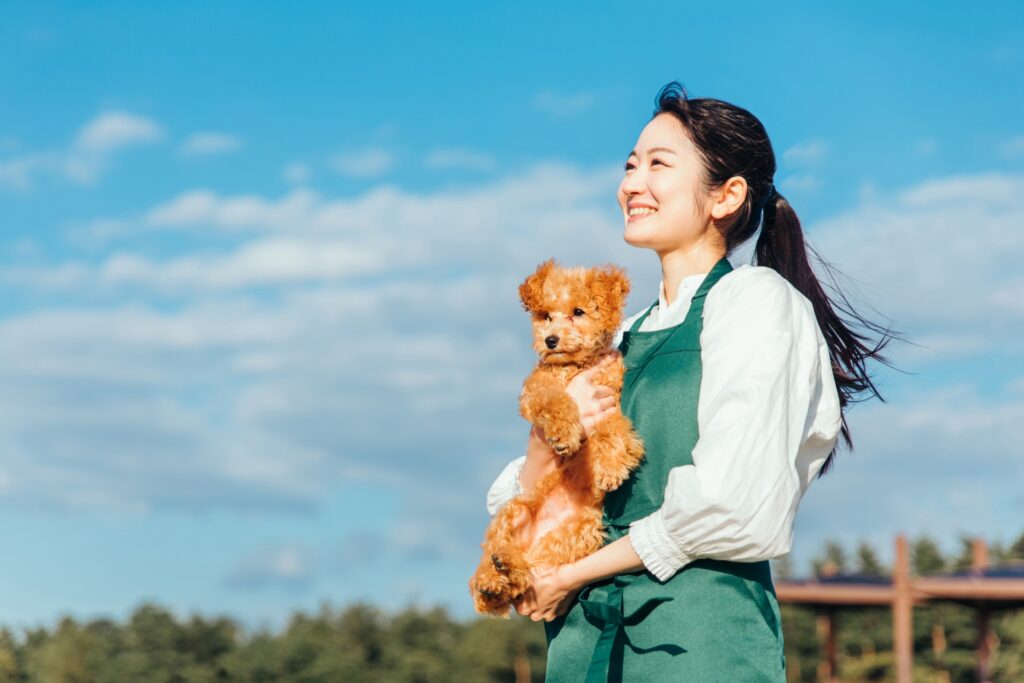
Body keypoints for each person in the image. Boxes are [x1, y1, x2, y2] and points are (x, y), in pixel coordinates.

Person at [484, 81, 896, 682]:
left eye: (658, 164)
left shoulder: (758, 304)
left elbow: (732, 504)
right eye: (630, 165)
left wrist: (571, 574)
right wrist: (547, 438)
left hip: (697, 642)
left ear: (726, 195)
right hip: (584, 646)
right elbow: (535, 496)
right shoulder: (618, 338)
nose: (632, 183)